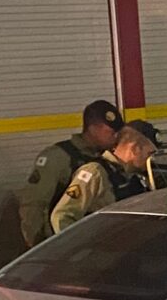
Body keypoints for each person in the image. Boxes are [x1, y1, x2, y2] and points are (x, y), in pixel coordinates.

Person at [16, 100, 123, 248]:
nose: (115, 137)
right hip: (61, 244)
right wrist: (38, 245)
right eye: (111, 132)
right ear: (93, 129)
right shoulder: (58, 157)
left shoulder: (108, 159)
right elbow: (34, 203)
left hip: (93, 243)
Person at [50, 124, 157, 233]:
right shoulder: (96, 172)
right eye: (150, 154)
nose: (152, 160)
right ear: (135, 149)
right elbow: (62, 216)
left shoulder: (135, 176)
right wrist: (83, 246)